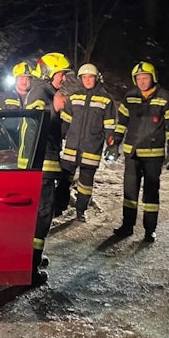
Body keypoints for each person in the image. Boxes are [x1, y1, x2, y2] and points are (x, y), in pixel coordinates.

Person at [106, 61, 169, 242]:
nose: (142, 82)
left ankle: (149, 229)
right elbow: (122, 122)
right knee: (129, 192)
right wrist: (115, 142)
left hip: (153, 155)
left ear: (152, 78)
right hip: (132, 153)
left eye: (145, 78)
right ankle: (127, 226)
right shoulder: (130, 97)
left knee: (151, 193)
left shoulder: (165, 97)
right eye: (138, 78)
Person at [19, 51, 71, 286]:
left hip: (44, 164)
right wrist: (55, 110)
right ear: (50, 72)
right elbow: (35, 123)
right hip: (41, 166)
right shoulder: (41, 92)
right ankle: (30, 269)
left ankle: (32, 259)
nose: (64, 78)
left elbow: (56, 132)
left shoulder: (48, 92)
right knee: (41, 215)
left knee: (39, 215)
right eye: (61, 73)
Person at [59, 63, 118, 222]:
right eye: (84, 77)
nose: (87, 80)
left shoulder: (106, 100)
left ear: (96, 78)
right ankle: (59, 207)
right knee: (64, 179)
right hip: (71, 148)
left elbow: (110, 126)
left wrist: (112, 144)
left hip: (91, 149)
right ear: (80, 79)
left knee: (85, 183)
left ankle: (81, 210)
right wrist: (58, 136)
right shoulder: (74, 97)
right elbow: (65, 121)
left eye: (90, 77)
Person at [0, 61, 33, 142]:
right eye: (21, 78)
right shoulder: (6, 97)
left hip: (28, 141)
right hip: (7, 140)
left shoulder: (34, 97)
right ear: (15, 79)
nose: (24, 82)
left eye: (27, 78)